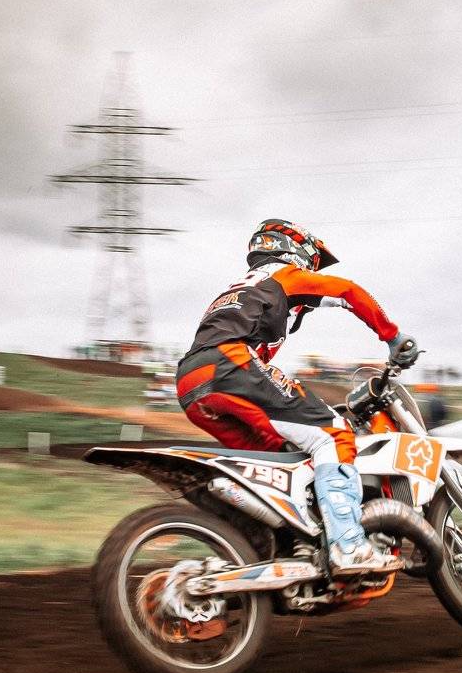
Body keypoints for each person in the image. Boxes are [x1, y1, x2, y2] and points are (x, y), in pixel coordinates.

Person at [175, 219, 417, 575]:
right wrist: (392, 337)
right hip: (230, 364)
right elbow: (349, 291)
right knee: (334, 433)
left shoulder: (239, 289)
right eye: (312, 262)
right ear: (292, 250)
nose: (312, 270)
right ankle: (349, 545)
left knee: (279, 461)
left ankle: (285, 548)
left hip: (191, 382)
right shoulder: (282, 274)